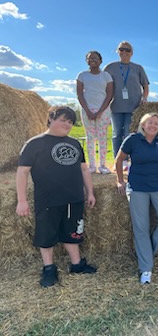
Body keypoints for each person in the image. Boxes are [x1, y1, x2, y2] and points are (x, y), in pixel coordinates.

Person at [16, 106, 97, 287]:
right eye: (63, 120)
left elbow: (84, 169)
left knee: (73, 233)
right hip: (48, 200)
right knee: (46, 235)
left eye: (70, 122)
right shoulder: (34, 144)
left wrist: (90, 192)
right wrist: (22, 200)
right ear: (51, 119)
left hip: (74, 199)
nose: (67, 124)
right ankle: (49, 269)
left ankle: (76, 265)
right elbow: (22, 172)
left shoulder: (75, 143)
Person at [115, 112, 158, 284]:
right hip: (137, 188)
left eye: (156, 123)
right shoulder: (133, 139)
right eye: (149, 122)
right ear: (142, 125)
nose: (153, 125)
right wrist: (119, 181)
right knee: (141, 227)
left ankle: (145, 254)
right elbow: (118, 160)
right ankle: (146, 269)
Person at [104, 41, 149, 170]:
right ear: (117, 51)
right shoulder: (110, 67)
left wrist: (144, 98)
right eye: (121, 49)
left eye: (127, 50)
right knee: (117, 134)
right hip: (116, 106)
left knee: (129, 133)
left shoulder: (138, 68)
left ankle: (129, 160)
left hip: (134, 106)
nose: (124, 52)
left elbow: (145, 85)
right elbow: (104, 85)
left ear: (132, 53)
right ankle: (118, 161)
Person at [77, 50, 114, 174]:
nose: (92, 60)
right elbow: (80, 94)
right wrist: (87, 110)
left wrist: (100, 112)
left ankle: (102, 165)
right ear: (86, 61)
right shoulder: (82, 75)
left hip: (103, 111)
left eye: (95, 58)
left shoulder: (106, 76)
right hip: (87, 110)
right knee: (90, 138)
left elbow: (109, 94)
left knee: (102, 138)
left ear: (100, 60)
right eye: (89, 58)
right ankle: (92, 165)